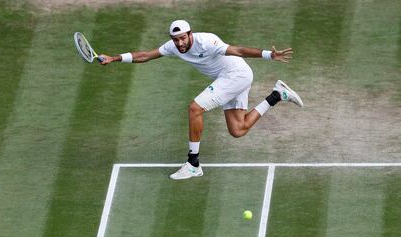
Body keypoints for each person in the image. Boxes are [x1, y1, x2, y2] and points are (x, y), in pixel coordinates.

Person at [99, 20, 303, 180]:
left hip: (236, 75)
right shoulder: (172, 46)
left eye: (183, 38)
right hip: (230, 77)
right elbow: (144, 55)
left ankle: (193, 164)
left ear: (190, 34)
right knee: (238, 130)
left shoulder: (208, 41)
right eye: (175, 39)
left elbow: (239, 51)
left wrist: (269, 55)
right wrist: (114, 58)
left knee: (195, 109)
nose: (179, 43)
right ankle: (277, 95)